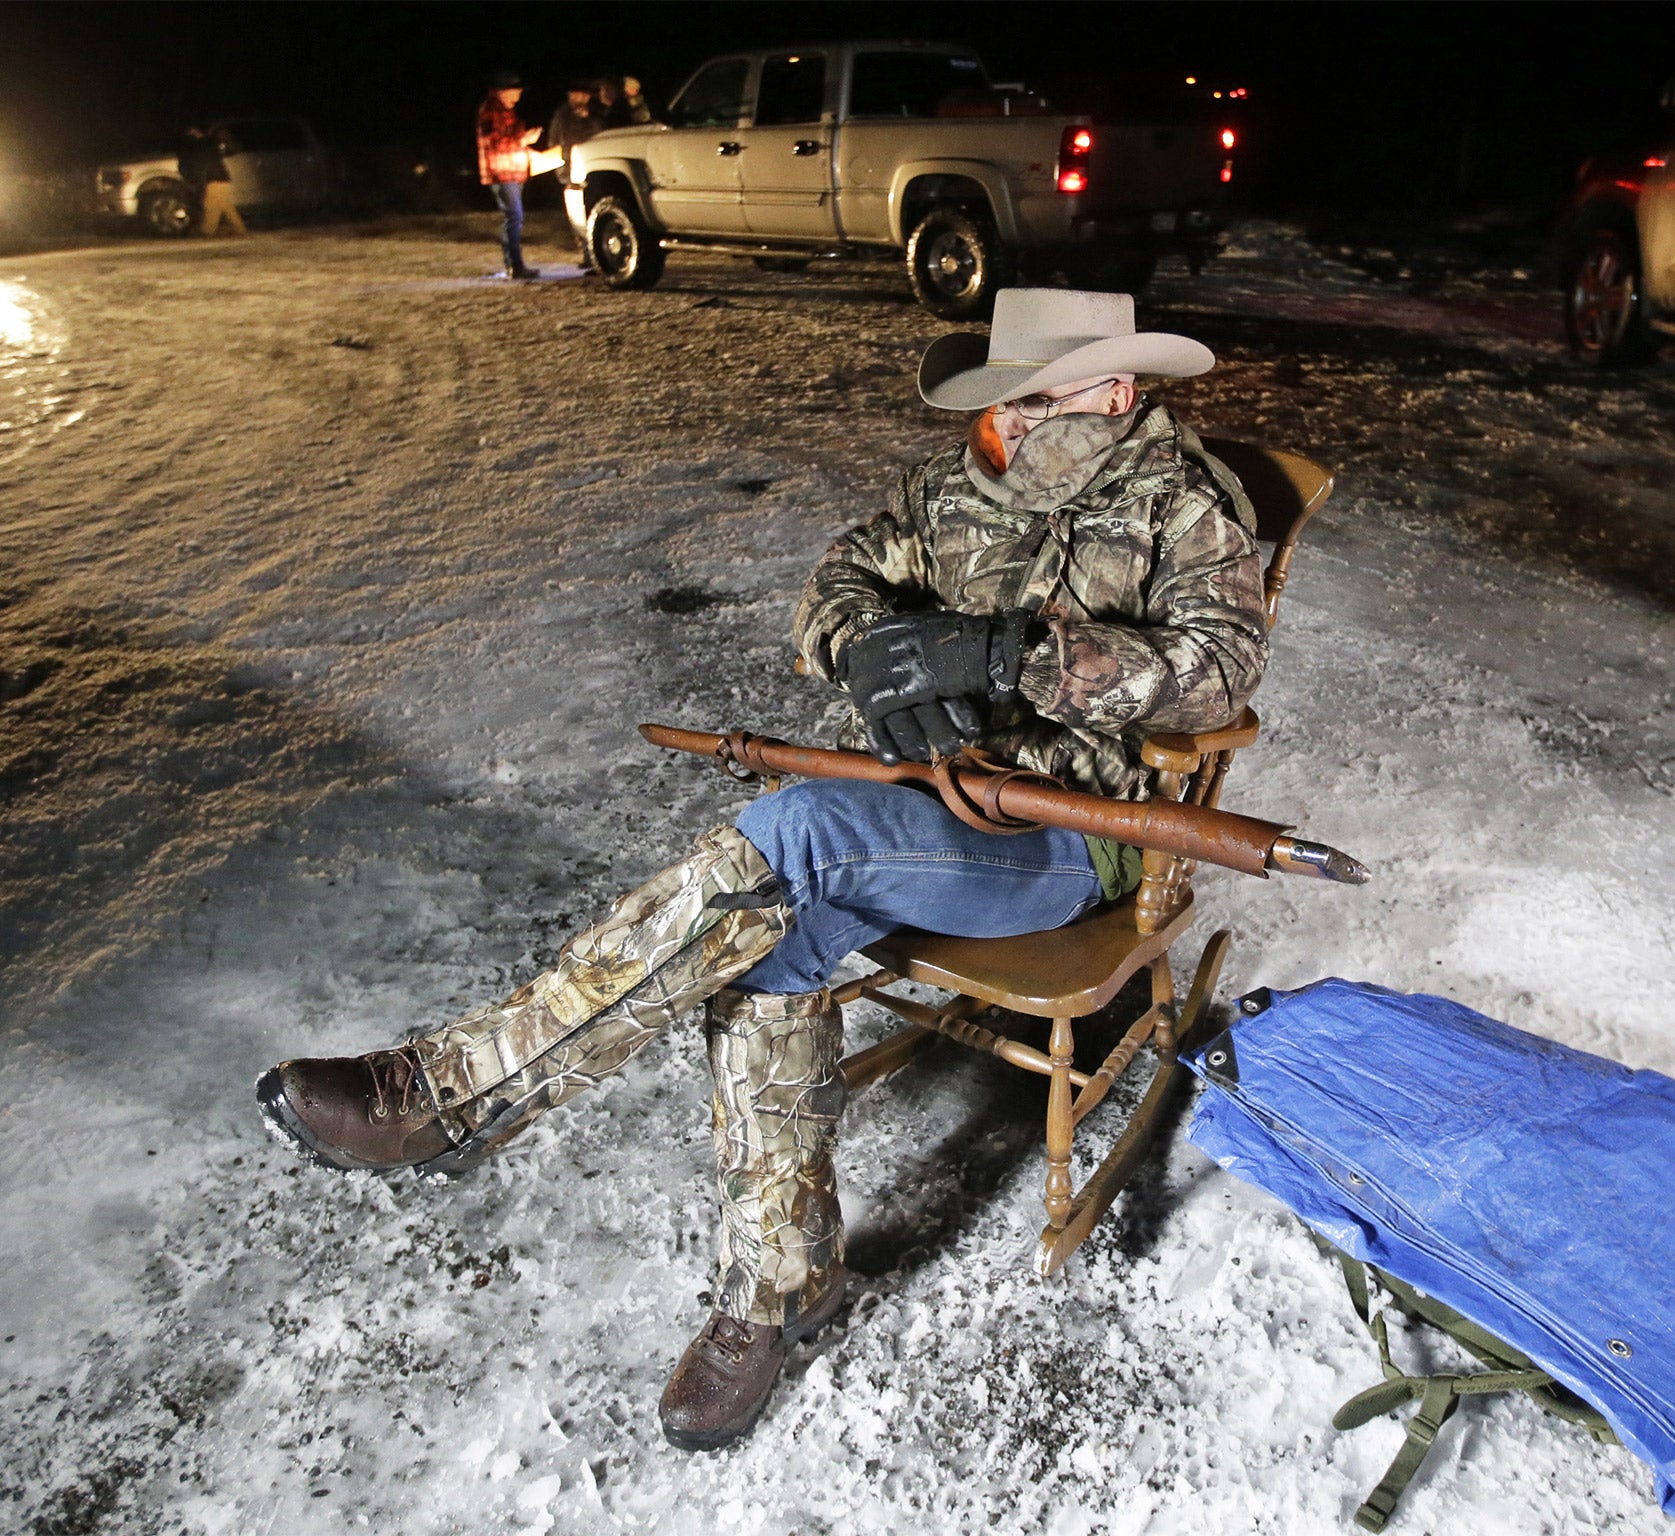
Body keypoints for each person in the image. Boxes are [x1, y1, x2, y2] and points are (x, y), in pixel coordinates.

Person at [256, 289, 1268, 1450]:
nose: (1014, 426)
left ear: (1117, 389)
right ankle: (776, 1292)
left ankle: (449, 1090)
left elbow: (1214, 676)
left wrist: (1019, 659)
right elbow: (832, 591)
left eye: (1041, 400)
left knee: (789, 839)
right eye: (1003, 401)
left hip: (1067, 832)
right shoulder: (956, 487)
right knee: (764, 940)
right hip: (924, 801)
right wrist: (879, 657)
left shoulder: (1182, 504)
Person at [476, 69, 542, 279]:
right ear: (504, 91)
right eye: (516, 91)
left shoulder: (506, 110)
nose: (519, 95)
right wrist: (522, 141)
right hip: (501, 173)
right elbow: (494, 141)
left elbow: (509, 137)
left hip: (512, 170)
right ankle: (514, 265)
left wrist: (526, 144)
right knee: (514, 216)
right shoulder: (490, 110)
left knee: (515, 216)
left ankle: (516, 264)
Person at [547, 80, 603, 268]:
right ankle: (588, 256)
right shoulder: (561, 114)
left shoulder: (596, 114)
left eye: (581, 94)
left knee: (594, 212)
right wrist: (560, 169)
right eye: (573, 94)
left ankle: (597, 256)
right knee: (577, 216)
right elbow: (554, 140)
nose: (576, 98)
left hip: (593, 169)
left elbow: (602, 135)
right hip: (570, 171)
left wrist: (588, 119)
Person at [179, 125, 245, 237]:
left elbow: (201, 166)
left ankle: (208, 231)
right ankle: (239, 229)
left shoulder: (203, 145)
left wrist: (196, 181)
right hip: (221, 179)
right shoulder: (209, 144)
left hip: (215, 179)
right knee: (225, 206)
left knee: (210, 206)